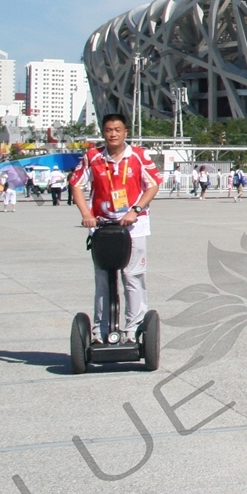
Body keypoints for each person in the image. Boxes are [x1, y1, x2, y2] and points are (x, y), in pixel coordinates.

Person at [69, 110, 161, 344]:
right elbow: (76, 185)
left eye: (117, 130)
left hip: (133, 227)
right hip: (102, 227)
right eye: (109, 130)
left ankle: (134, 330)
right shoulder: (92, 157)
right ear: (103, 133)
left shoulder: (139, 156)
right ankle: (101, 331)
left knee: (133, 277)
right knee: (103, 278)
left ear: (125, 132)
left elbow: (153, 185)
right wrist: (86, 214)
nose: (113, 134)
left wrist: (136, 210)